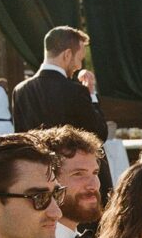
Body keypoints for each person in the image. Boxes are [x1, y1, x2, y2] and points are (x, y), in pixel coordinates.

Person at [11, 25, 112, 195]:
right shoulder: (75, 90)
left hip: (40, 183)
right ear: (67, 55)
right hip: (77, 185)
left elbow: (22, 139)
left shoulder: (20, 91)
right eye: (79, 59)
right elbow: (100, 133)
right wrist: (91, 95)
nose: (79, 66)